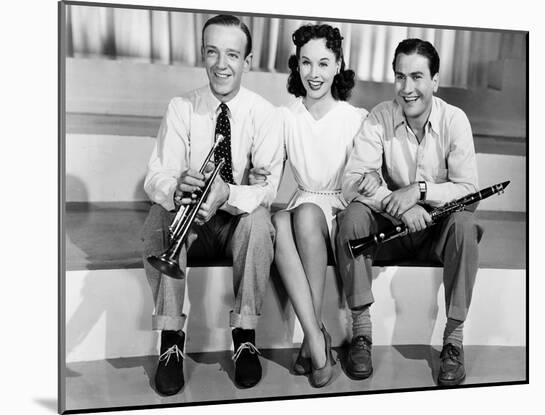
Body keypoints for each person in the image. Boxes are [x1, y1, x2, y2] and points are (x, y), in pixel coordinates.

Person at [141, 14, 284, 395]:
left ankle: (244, 334)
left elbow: (268, 188)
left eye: (233, 55)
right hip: (192, 224)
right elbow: (155, 176)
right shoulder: (181, 108)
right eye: (213, 53)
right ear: (203, 55)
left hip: (234, 223)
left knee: (258, 221)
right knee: (158, 217)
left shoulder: (264, 114)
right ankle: (171, 339)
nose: (222, 65)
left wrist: (228, 194)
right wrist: (176, 189)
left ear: (247, 62)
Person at [335, 38, 483, 386]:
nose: (407, 88)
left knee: (464, 223)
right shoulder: (379, 117)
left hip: (437, 232)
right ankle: (361, 333)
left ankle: (453, 341)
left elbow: (470, 192)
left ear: (434, 81)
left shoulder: (455, 120)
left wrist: (419, 191)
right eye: (400, 77)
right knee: (353, 215)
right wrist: (402, 207)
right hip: (393, 232)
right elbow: (352, 182)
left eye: (417, 77)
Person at [265, 24, 378, 388]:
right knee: (281, 220)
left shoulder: (355, 118)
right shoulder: (285, 117)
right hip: (301, 204)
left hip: (335, 210)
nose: (314, 74)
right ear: (296, 66)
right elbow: (270, 178)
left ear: (338, 65)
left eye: (323, 63)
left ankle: (311, 340)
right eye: (306, 63)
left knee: (306, 215)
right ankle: (316, 338)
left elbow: (365, 177)